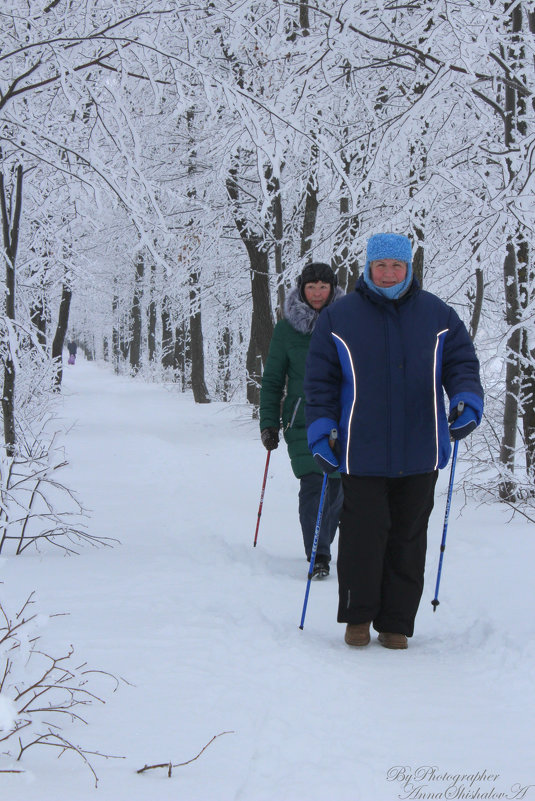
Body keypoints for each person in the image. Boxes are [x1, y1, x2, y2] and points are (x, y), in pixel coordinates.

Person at [304, 233, 484, 647]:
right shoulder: (339, 317)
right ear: (368, 268)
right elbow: (320, 383)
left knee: (408, 537)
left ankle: (396, 623)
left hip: (421, 448)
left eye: (396, 266)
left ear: (409, 268)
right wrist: (319, 431)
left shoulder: (437, 314)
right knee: (363, 536)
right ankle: (358, 618)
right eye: (380, 265)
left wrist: (467, 401)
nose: (388, 273)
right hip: (359, 449)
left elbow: (462, 364)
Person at [259, 262, 344, 578]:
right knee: (313, 485)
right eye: (312, 287)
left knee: (336, 490)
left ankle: (324, 543)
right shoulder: (286, 329)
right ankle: (319, 554)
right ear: (302, 290)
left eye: (324, 287)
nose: (318, 293)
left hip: (343, 418)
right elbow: (272, 380)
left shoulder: (347, 322)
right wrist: (268, 422)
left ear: (333, 289)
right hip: (302, 419)